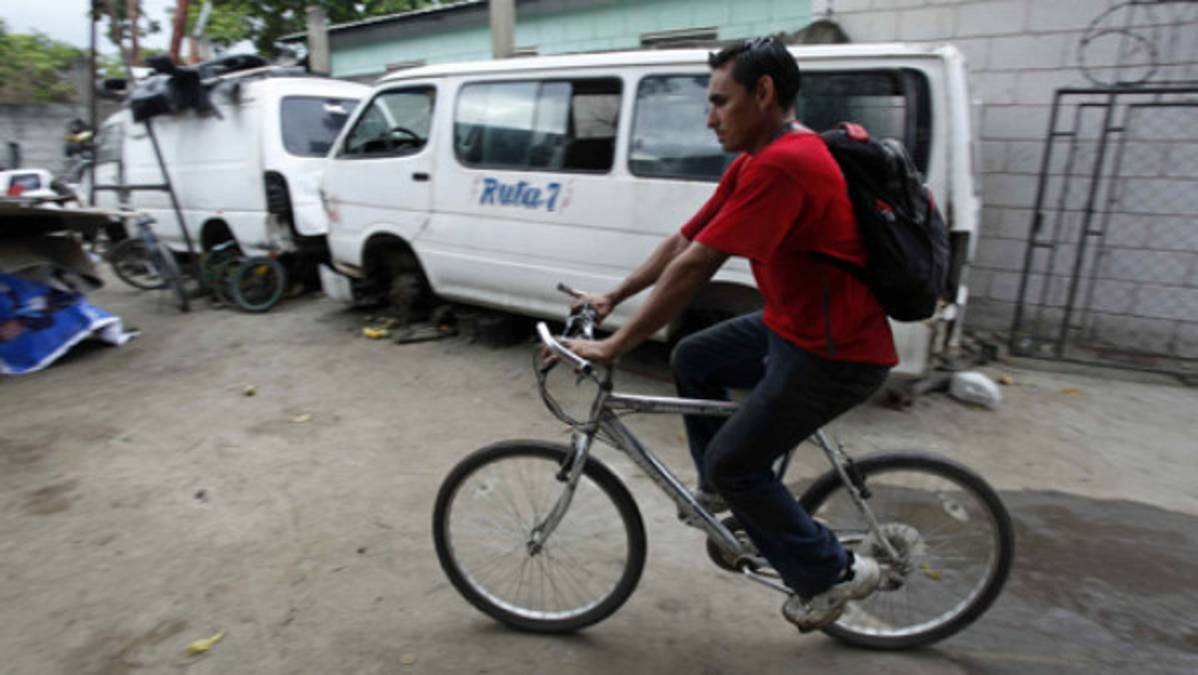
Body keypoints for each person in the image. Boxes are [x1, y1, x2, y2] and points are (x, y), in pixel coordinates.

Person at [562, 36, 898, 631]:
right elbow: (682, 243)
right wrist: (613, 296)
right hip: (793, 327)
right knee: (695, 356)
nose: (709, 116)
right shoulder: (755, 159)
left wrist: (617, 344)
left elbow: (696, 269)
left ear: (763, 94)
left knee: (734, 462)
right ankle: (726, 495)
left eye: (720, 101)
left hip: (835, 352)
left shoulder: (788, 164)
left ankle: (837, 575)